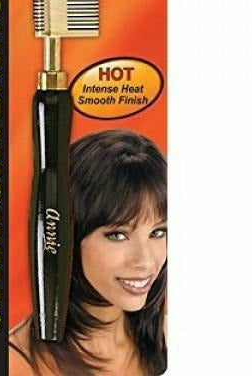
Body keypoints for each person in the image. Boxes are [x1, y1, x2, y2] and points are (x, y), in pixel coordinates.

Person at [9, 130, 167, 375]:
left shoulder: (166, 340)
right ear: (67, 237)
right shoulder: (15, 364)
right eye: (118, 235)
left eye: (158, 232)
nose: (146, 261)